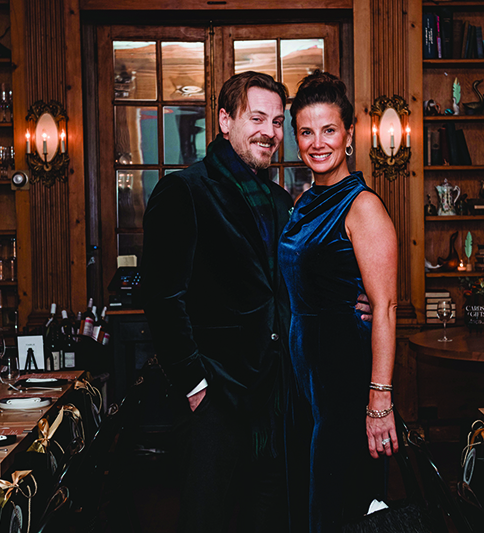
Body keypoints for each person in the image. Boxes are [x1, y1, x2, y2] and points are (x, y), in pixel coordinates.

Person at [142, 71, 372, 532]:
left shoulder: (283, 202)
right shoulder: (184, 191)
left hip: (278, 403)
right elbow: (163, 300)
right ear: (225, 121)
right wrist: (195, 387)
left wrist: (354, 297)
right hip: (215, 402)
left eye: (277, 121)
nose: (269, 131)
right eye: (257, 118)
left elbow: (299, 280)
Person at [277, 71, 399, 532]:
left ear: (349, 134)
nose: (318, 143)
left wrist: (379, 401)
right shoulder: (305, 200)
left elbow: (385, 307)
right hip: (305, 382)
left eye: (329, 130)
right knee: (311, 504)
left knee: (341, 508)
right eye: (306, 132)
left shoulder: (362, 206)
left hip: (345, 380)